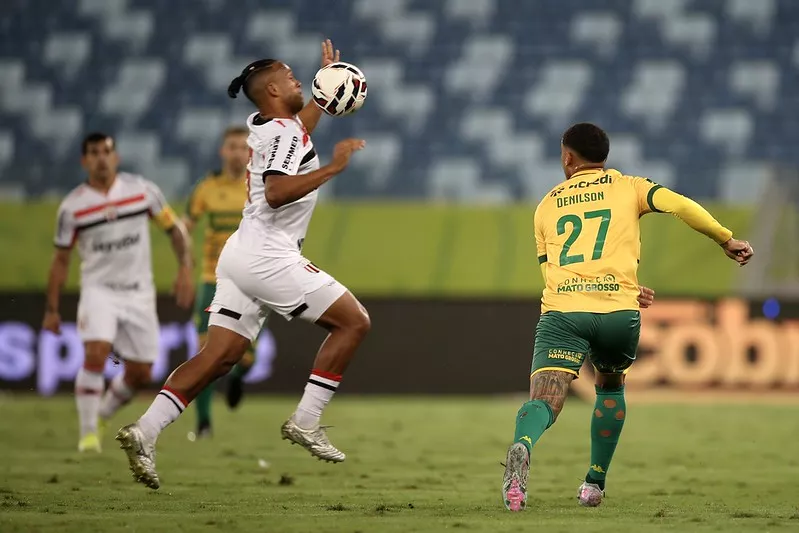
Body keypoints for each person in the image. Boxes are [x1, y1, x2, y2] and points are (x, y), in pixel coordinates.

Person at [116, 40, 370, 490]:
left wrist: (322, 93)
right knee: (353, 322)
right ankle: (306, 421)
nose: (299, 79)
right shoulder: (284, 133)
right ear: (273, 90)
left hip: (240, 253)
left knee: (220, 356)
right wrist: (334, 168)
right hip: (269, 253)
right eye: (292, 76)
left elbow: (299, 132)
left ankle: (145, 430)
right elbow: (276, 191)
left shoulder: (268, 124)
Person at [501, 123, 754, 511]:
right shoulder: (629, 186)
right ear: (604, 156)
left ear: (568, 157)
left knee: (546, 399)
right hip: (619, 311)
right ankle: (594, 483)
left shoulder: (547, 203)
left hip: (564, 312)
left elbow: (550, 270)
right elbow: (681, 205)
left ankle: (523, 446)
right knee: (610, 387)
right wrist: (725, 238)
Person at [43, 132, 194, 453]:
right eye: (94, 153)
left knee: (141, 373)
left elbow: (175, 230)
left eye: (106, 152)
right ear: (84, 161)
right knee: (96, 352)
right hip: (99, 291)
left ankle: (101, 414)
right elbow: (60, 260)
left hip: (139, 293)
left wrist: (184, 268)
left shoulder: (142, 192)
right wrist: (52, 309)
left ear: (116, 157)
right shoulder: (73, 208)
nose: (101, 158)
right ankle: (87, 437)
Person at [183, 125, 259, 440]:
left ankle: (239, 377)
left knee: (247, 357)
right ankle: (202, 424)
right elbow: (185, 229)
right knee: (206, 353)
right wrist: (184, 267)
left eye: (243, 146)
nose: (237, 152)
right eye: (232, 146)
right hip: (211, 280)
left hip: (251, 283)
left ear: (250, 152)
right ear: (222, 151)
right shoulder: (206, 189)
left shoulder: (259, 187)